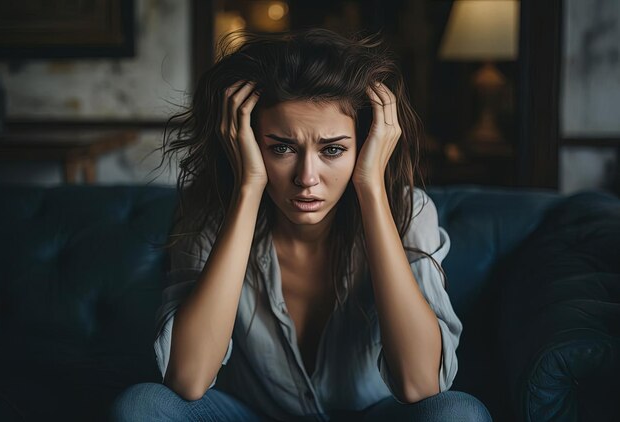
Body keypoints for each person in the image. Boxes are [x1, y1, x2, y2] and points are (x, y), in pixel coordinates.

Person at [110, 28, 492, 422]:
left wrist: (372, 190)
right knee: (141, 406)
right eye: (282, 147)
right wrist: (247, 190)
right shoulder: (209, 210)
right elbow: (187, 379)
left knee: (458, 413)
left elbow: (420, 385)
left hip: (371, 416)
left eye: (333, 149)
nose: (307, 176)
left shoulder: (408, 210)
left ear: (365, 146)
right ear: (248, 143)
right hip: (251, 415)